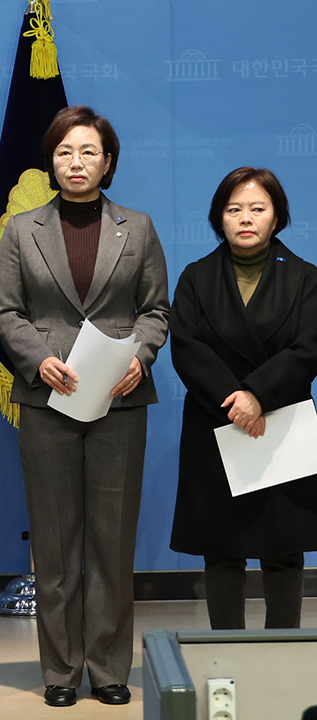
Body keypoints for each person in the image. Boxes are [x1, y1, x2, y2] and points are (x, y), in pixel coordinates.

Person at [0, 106, 169, 707]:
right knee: (57, 540)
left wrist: (139, 356)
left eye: (89, 152)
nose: (77, 162)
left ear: (108, 162)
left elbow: (156, 311)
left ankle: (110, 669)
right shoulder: (22, 230)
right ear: (52, 160)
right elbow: (6, 313)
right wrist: (36, 358)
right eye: (66, 152)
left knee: (111, 543)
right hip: (49, 399)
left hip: (118, 400)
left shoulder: (138, 229)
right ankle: (61, 672)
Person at [169, 167, 317, 629]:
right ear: (219, 218)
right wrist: (235, 399)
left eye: (258, 208)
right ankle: (225, 653)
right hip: (219, 425)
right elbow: (186, 347)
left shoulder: (306, 278)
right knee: (223, 552)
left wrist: (258, 393)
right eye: (234, 209)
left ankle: (281, 656)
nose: (245, 218)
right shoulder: (196, 277)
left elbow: (309, 347)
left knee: (284, 553)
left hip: (281, 422)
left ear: (277, 217)